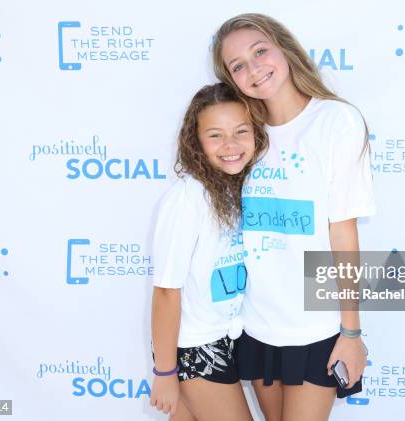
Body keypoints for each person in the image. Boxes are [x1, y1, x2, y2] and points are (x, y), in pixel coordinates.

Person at [212, 13, 376, 421]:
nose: (254, 69)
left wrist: (350, 332)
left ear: (284, 48)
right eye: (238, 66)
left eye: (260, 51)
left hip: (315, 329)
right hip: (257, 325)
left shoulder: (336, 121)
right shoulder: (245, 134)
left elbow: (343, 234)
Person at [150, 83, 268, 421]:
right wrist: (165, 372)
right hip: (195, 347)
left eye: (240, 132)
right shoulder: (188, 198)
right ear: (196, 142)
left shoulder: (234, 190)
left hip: (228, 337)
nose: (230, 145)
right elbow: (166, 292)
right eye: (216, 135)